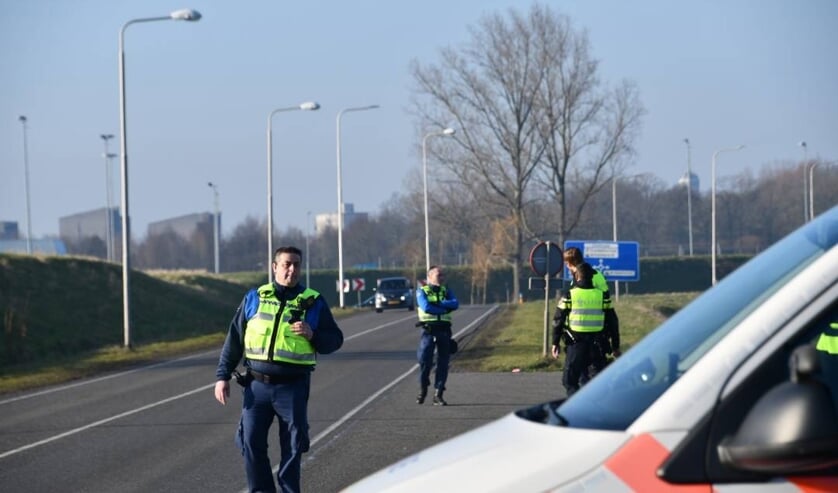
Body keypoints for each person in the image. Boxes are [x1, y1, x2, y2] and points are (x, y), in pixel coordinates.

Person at [214, 246, 343, 493]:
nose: (292, 269)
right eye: (286, 264)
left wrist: (312, 334)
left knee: (293, 447)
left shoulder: (313, 301)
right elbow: (234, 338)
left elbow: (335, 339)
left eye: (296, 264)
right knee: (250, 443)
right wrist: (222, 376)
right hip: (256, 386)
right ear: (274, 267)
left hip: (292, 387)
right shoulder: (255, 297)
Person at [551, 265, 612, 396]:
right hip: (597, 345)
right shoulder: (602, 296)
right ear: (592, 277)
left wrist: (555, 343)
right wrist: (615, 344)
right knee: (597, 382)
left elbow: (558, 320)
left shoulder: (570, 295)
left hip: (575, 344)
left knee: (569, 381)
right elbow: (612, 320)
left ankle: (576, 407)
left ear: (577, 276)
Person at [563, 247, 621, 380]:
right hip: (594, 329)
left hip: (590, 331)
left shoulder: (586, 277)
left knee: (585, 375)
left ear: (571, 263)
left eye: (567, 263)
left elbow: (594, 302)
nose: (566, 267)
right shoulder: (590, 274)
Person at [415, 265, 459, 406]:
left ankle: (438, 394)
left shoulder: (446, 291)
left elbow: (455, 304)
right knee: (424, 360)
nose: (442, 277)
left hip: (444, 331)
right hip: (428, 330)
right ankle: (423, 388)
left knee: (443, 363)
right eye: (439, 275)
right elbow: (426, 307)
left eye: (443, 275)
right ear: (429, 276)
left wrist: (439, 303)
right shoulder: (422, 291)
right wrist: (445, 308)